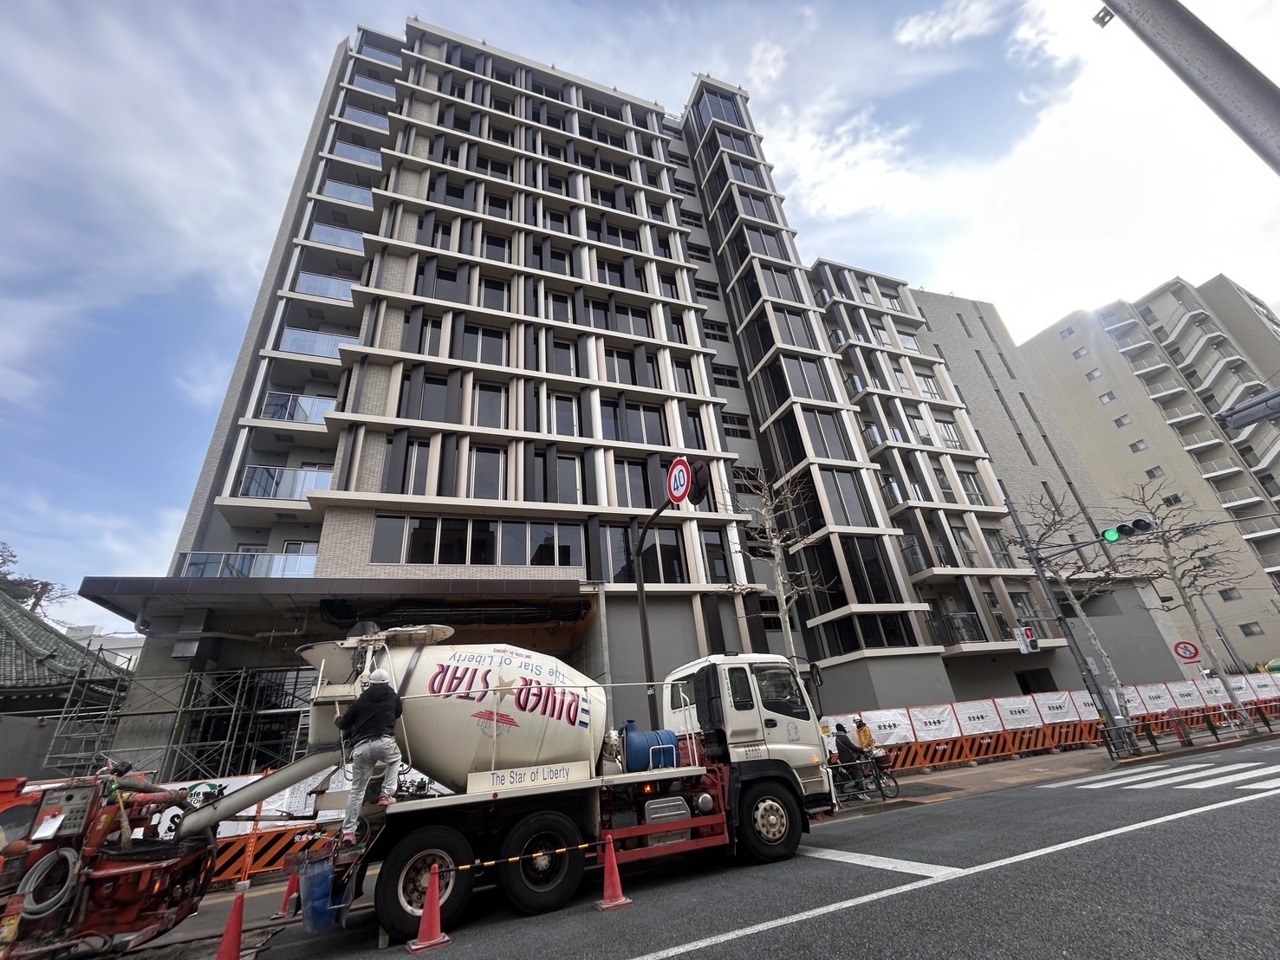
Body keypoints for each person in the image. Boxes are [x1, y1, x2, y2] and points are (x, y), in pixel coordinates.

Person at [337, 667, 403, 844]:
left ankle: (349, 832)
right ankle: (386, 794)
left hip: (361, 748)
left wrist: (337, 719)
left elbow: (344, 724)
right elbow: (398, 713)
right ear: (387, 682)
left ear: (371, 684)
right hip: (383, 741)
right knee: (395, 759)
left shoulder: (361, 700)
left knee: (357, 790)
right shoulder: (393, 696)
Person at [834, 722, 870, 801]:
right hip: (848, 759)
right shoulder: (843, 737)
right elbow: (851, 747)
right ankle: (861, 793)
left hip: (843, 760)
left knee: (853, 776)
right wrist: (862, 750)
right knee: (859, 774)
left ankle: (855, 793)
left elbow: (847, 748)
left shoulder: (837, 738)